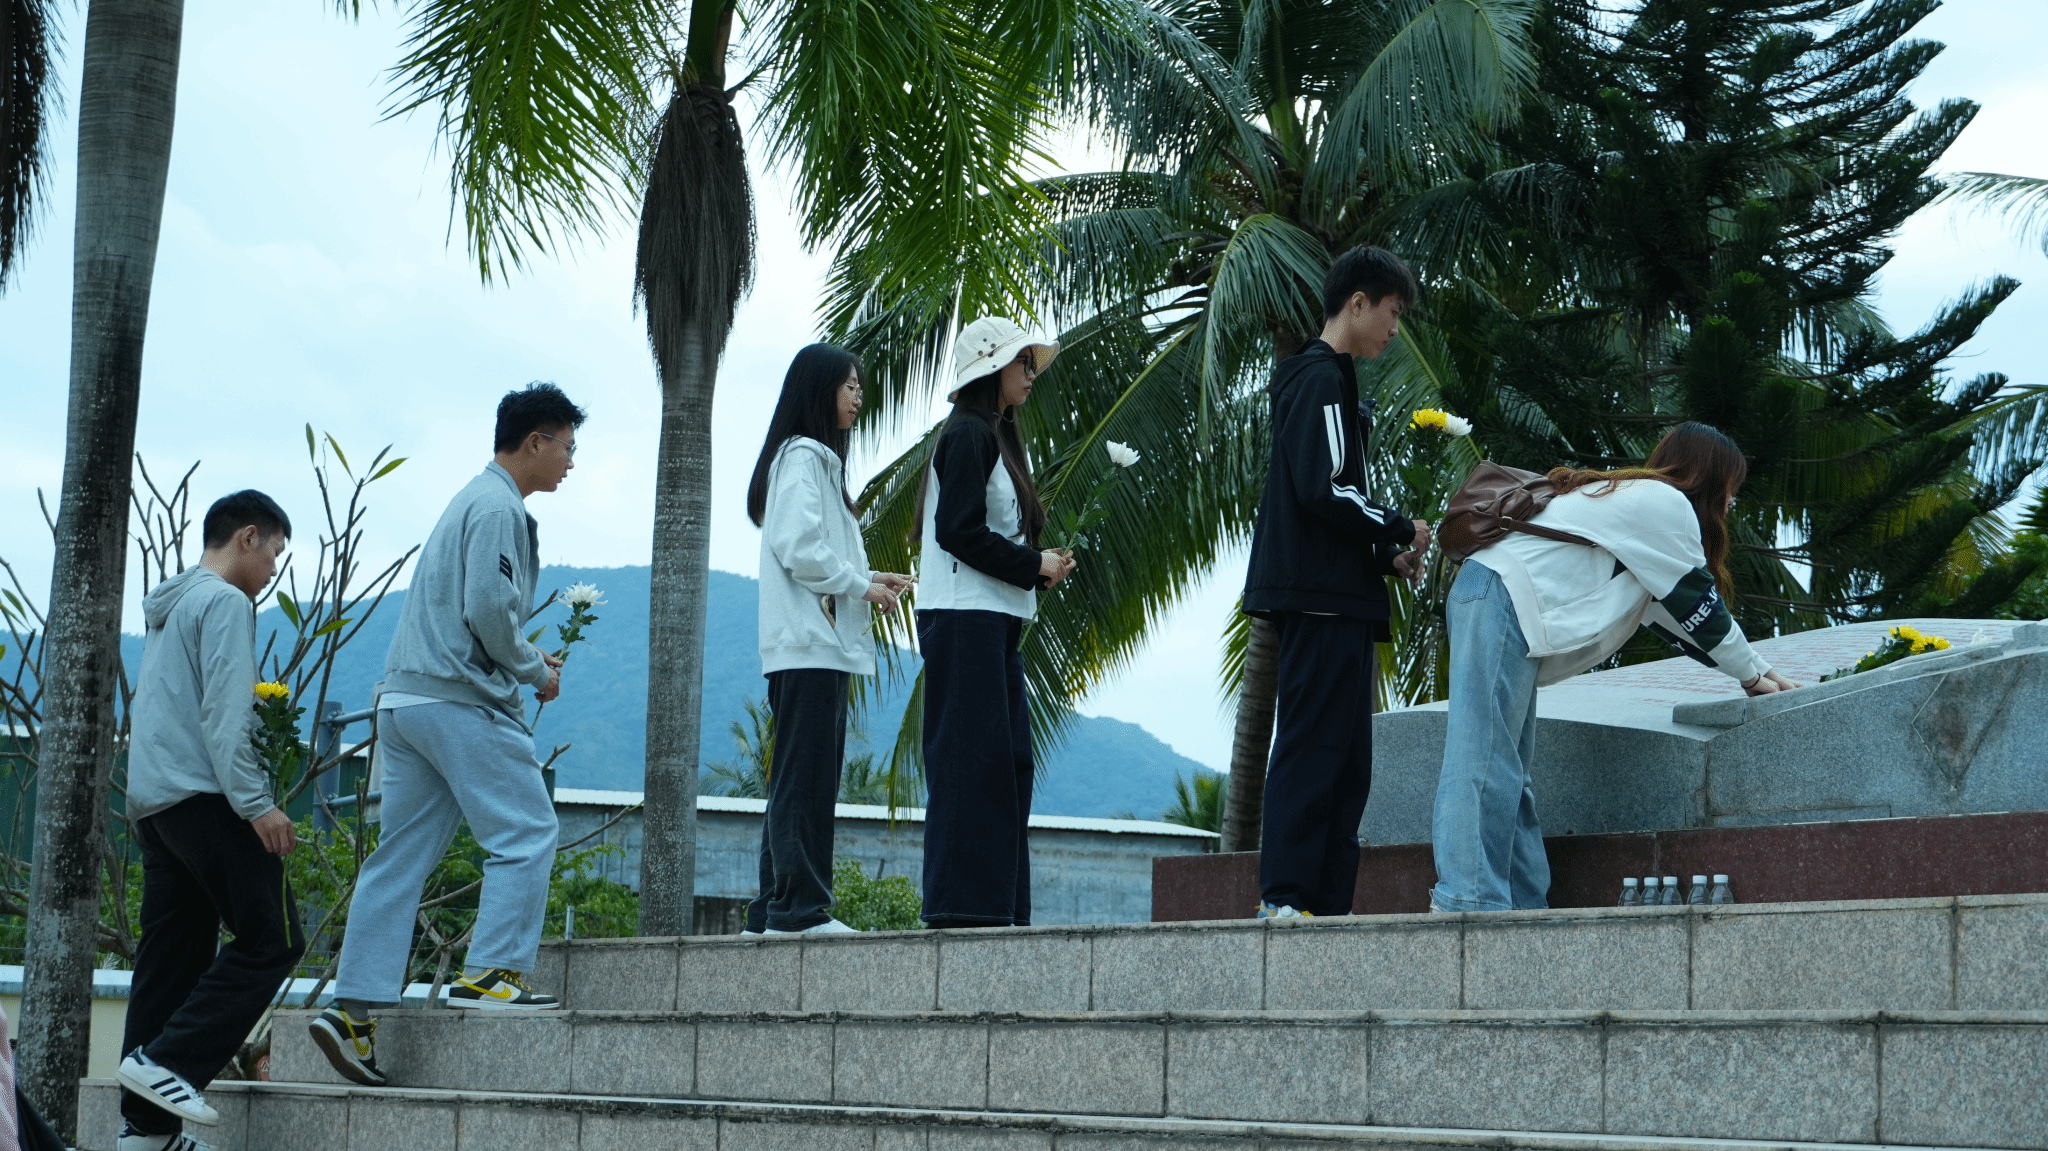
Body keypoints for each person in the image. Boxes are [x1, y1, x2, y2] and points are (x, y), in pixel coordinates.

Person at [309, 383, 584, 1087]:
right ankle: (492, 971)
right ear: (534, 441)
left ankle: (352, 1010)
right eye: (566, 445)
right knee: (527, 830)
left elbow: (471, 610)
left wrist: (520, 655)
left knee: (398, 858)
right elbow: (489, 609)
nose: (570, 461)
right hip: (457, 701)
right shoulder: (498, 507)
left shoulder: (468, 500)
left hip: (403, 701)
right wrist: (534, 669)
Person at [1430, 422, 1800, 913]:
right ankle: (1467, 901)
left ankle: (1520, 907)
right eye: (1731, 487)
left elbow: (1679, 621)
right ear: (1710, 478)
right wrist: (1753, 677)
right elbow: (1699, 604)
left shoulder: (1639, 505)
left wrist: (1759, 672)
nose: (1732, 502)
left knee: (1506, 768)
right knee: (1482, 757)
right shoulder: (1664, 504)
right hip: (1499, 595)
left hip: (1497, 598)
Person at [1242, 245, 1433, 920]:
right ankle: (1285, 897)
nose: (1395, 329)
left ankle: (1325, 904)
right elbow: (1324, 489)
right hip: (1319, 601)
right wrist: (1397, 525)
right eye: (1392, 311)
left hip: (1342, 597)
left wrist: (1384, 556)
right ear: (1357, 303)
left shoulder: (1333, 383)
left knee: (1348, 765)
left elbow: (1327, 505)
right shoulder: (1320, 377)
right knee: (1312, 749)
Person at [117, 491, 303, 1151]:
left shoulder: (171, 606)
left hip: (156, 806)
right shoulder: (225, 602)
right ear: (247, 536)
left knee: (171, 960)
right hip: (207, 798)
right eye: (274, 552)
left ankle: (145, 1133)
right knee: (275, 937)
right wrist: (257, 803)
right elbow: (227, 714)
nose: (273, 570)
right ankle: (169, 1063)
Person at [741, 344, 913, 935]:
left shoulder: (808, 460)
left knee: (795, 777)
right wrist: (862, 586)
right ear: (820, 391)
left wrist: (869, 578)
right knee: (807, 781)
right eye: (849, 386)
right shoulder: (804, 457)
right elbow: (800, 547)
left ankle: (771, 910)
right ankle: (799, 911)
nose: (859, 397)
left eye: (860, 386)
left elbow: (813, 550)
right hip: (809, 644)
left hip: (808, 645)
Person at [915, 316, 1074, 928]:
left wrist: (1037, 564)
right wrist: (1033, 565)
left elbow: (983, 533)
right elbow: (957, 531)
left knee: (1007, 767)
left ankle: (998, 909)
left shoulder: (993, 435)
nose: (1031, 374)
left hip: (991, 620)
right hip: (964, 620)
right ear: (992, 368)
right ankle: (961, 911)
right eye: (1023, 363)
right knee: (970, 766)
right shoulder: (968, 434)